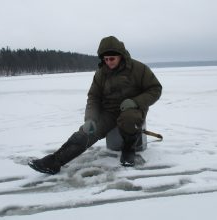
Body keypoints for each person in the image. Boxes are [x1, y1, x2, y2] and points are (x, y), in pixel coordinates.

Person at [28, 36, 162, 174]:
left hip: (133, 109)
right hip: (109, 112)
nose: (108, 62)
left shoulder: (138, 69)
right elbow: (94, 97)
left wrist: (135, 102)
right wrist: (90, 119)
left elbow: (155, 89)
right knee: (85, 133)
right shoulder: (101, 73)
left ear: (120, 56)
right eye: (106, 59)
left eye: (112, 59)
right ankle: (54, 162)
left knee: (128, 118)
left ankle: (128, 150)